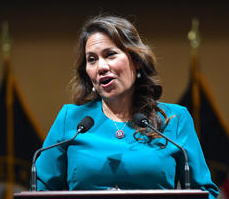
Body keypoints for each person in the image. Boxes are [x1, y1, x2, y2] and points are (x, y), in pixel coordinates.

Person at [35, 14, 219, 198]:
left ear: (136, 60)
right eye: (92, 59)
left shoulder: (174, 120)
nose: (101, 67)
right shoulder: (72, 120)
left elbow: (205, 193)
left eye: (110, 54)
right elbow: (41, 192)